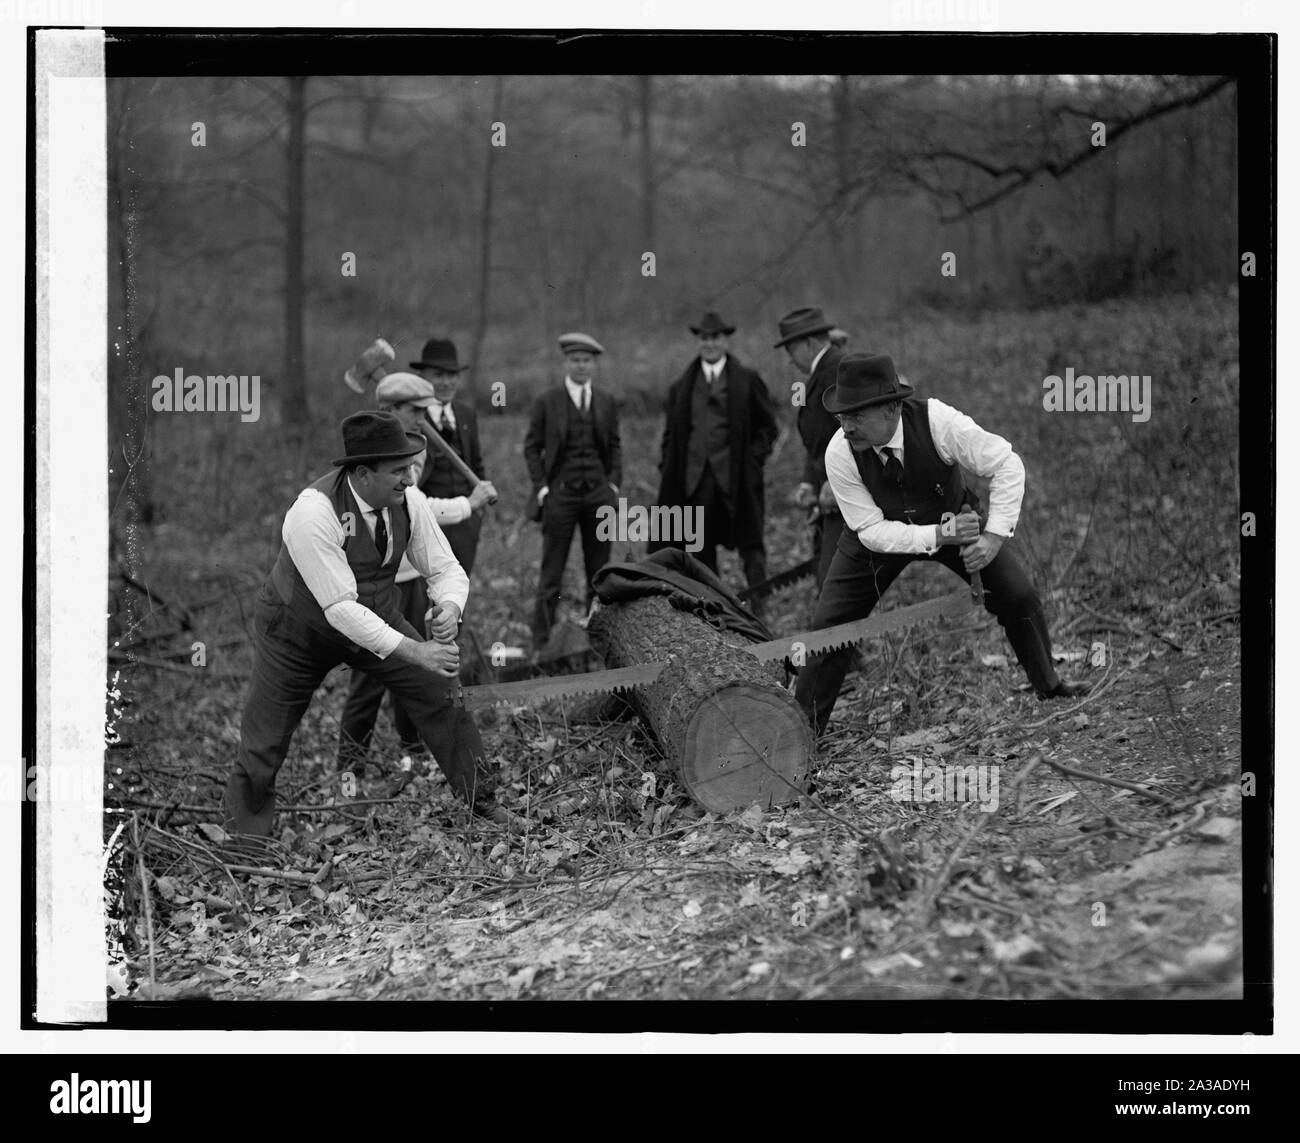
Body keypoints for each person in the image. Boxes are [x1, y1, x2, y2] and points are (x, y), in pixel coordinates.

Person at [223, 411, 518, 836]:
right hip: (296, 632)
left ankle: (482, 801)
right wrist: (416, 649)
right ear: (362, 474)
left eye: (411, 467)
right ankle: (244, 844)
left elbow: (446, 569)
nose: (410, 479)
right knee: (264, 737)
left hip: (374, 612)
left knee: (440, 689)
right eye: (398, 471)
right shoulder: (313, 513)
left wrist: (449, 608)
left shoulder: (408, 502)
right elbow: (341, 609)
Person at [793, 352, 1089, 735]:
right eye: (841, 416)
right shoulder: (839, 452)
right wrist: (935, 536)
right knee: (830, 626)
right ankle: (800, 737)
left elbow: (1006, 463)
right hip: (878, 536)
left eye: (856, 416)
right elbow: (870, 529)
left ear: (891, 408)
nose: (846, 426)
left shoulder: (938, 421)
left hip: (952, 519)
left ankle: (1050, 686)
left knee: (1018, 595)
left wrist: (995, 536)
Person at [336, 373, 497, 777]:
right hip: (373, 585)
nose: (422, 417)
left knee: (416, 668)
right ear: (391, 409)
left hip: (410, 575)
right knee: (371, 677)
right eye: (414, 410)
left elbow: (415, 510)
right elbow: (423, 503)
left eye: (425, 410)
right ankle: (349, 769)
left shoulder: (414, 447)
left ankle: (414, 750)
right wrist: (468, 503)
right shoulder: (374, 452)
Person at [649, 311, 778, 598]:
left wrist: (753, 462)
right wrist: (669, 467)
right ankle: (716, 609)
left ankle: (760, 609)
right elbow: (670, 437)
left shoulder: (747, 380)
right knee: (699, 548)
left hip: (737, 480)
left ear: (725, 341)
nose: (710, 344)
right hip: (695, 482)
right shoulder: (681, 386)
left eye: (716, 338)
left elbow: (768, 428)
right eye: (704, 338)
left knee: (751, 546)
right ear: (698, 342)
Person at [524, 332, 622, 649]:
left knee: (599, 571)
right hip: (561, 496)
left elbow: (615, 446)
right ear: (566, 363)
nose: (581, 366)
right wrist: (542, 490)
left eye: (587, 360)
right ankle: (542, 644)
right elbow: (531, 447)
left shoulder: (606, 401)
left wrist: (613, 484)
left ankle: (598, 640)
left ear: (594, 364)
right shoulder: (547, 402)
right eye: (576, 360)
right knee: (552, 572)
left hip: (597, 496)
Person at [774, 306, 845, 589]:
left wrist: (835, 484)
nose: (791, 360)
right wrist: (809, 482)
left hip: (844, 499)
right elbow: (818, 441)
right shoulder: (819, 374)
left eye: (791, 350)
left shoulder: (837, 370)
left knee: (834, 591)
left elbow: (852, 432)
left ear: (809, 343)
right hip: (827, 499)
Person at [407, 337, 488, 574]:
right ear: (423, 377)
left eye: (452, 375)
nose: (447, 382)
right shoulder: (411, 418)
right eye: (438, 375)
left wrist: (477, 514)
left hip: (466, 522)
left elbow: (476, 463)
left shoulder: (465, 414)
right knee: (428, 594)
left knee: (459, 590)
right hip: (429, 521)